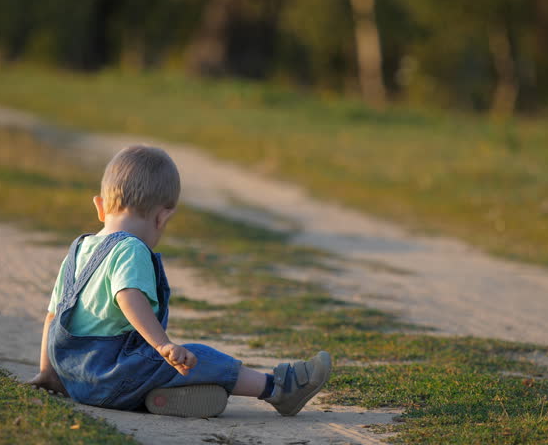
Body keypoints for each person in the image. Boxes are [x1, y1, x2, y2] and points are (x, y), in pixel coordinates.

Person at [28, 144, 331, 418]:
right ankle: (280, 389)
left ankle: (154, 397)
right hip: (111, 376)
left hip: (77, 379)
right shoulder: (130, 248)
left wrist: (48, 373)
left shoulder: (79, 250)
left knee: (163, 367)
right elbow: (128, 295)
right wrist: (162, 344)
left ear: (100, 206)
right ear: (162, 218)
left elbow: (53, 315)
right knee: (198, 358)